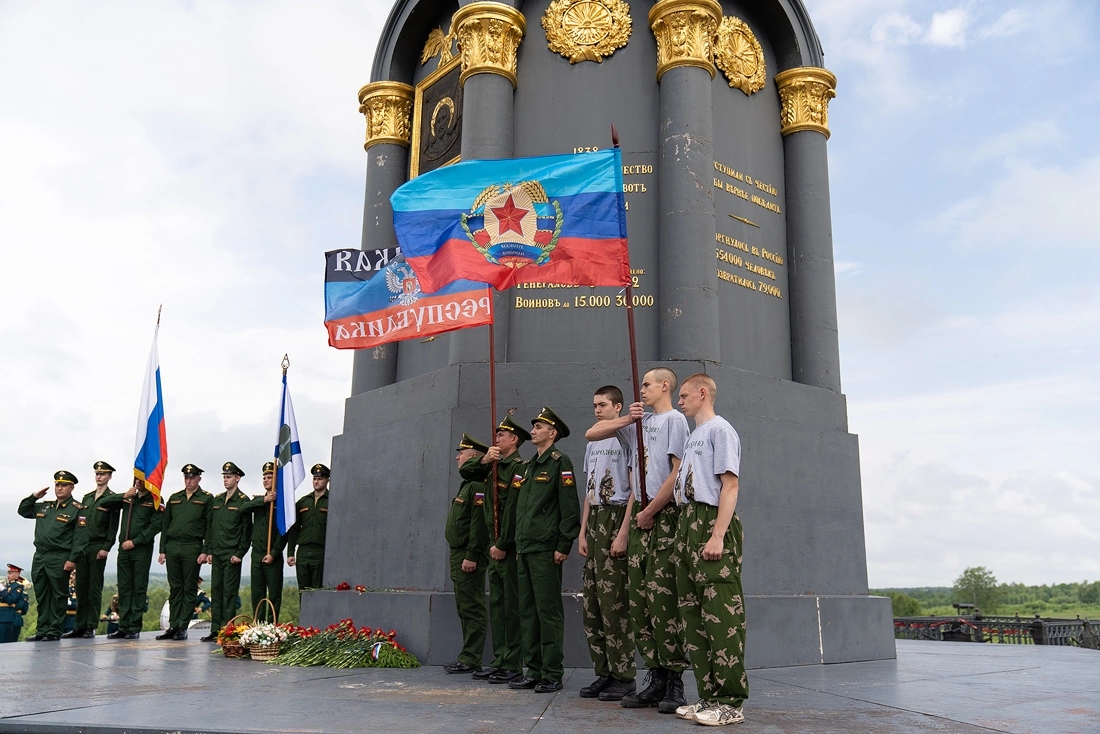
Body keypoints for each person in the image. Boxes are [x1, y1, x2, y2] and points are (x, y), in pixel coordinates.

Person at [585, 367, 690, 712]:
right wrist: (625, 420)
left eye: (646, 384)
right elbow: (592, 433)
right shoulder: (639, 425)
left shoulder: (674, 420)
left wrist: (649, 510)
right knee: (640, 602)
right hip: (642, 514)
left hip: (662, 514)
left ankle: (674, 682)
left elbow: (675, 471)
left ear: (664, 386)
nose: (641, 389)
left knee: (664, 602)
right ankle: (655, 677)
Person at [672, 373, 748, 726]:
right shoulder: (693, 437)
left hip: (708, 520)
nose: (679, 401)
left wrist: (718, 535)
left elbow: (729, 485)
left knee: (722, 614)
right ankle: (708, 697)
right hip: (687, 522)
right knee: (693, 615)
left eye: (684, 395)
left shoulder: (721, 430)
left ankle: (730, 702)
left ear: (703, 393)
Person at [509, 407, 580, 694]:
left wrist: (564, 545)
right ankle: (534, 669)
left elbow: (569, 508)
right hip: (525, 548)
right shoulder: (527, 467)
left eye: (539, 426)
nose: (533, 430)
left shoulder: (559, 463)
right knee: (527, 610)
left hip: (545, 549)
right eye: (534, 426)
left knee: (547, 611)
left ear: (552, 433)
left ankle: (552, 672)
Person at [577, 386, 636, 701]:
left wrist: (624, 531)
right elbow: (589, 490)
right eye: (594, 404)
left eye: (602, 405)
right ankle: (604, 673)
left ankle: (624, 675)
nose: (597, 409)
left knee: (614, 604)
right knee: (593, 605)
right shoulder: (595, 441)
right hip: (596, 519)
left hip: (616, 516)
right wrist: (582, 531)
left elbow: (635, 486)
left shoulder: (627, 436)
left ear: (618, 406)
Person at [461, 415, 529, 684]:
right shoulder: (493, 464)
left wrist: (502, 544)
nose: (496, 439)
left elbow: (513, 510)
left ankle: (513, 663)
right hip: (493, 545)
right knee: (498, 605)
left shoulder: (518, 467)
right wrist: (485, 460)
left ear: (513, 440)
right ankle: (500, 659)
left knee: (511, 606)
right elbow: (466, 472)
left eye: (502, 435)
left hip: (507, 547)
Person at [17, 471, 88, 641]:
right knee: (42, 594)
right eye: (57, 484)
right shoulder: (45, 506)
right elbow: (23, 510)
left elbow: (80, 538)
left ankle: (54, 630)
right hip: (40, 555)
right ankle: (42, 629)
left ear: (71, 487)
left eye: (64, 485)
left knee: (58, 595)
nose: (60, 488)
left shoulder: (77, 509)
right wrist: (34, 496)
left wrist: (72, 559)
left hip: (60, 556)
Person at [443, 434, 490, 674]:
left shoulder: (479, 486)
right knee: (464, 604)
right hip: (458, 552)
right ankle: (468, 655)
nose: (457, 457)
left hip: (468, 554)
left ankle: (471, 657)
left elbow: (479, 524)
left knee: (472, 605)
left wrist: (472, 555)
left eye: (461, 453)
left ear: (474, 456)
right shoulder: (469, 484)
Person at [157, 464, 212, 641]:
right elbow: (165, 525)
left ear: (199, 479)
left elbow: (209, 527)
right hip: (173, 546)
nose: (189, 480)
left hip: (192, 546)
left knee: (189, 588)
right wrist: (162, 549)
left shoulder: (206, 499)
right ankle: (173, 626)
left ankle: (182, 626)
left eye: (192, 477)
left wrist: (205, 550)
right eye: (186, 477)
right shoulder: (174, 498)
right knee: (175, 588)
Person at [68, 461, 122, 638]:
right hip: (83, 546)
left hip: (98, 546)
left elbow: (113, 527)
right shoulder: (87, 497)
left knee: (94, 587)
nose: (99, 476)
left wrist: (106, 547)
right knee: (81, 587)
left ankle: (90, 625)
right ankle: (79, 625)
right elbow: (81, 524)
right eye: (97, 473)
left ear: (109, 477)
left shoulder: (112, 498)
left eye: (103, 474)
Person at [201, 462, 253, 642]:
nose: (226, 479)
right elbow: (210, 527)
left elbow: (247, 530)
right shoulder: (217, 499)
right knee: (216, 590)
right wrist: (208, 550)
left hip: (232, 554)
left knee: (229, 592)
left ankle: (228, 630)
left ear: (237, 478)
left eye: (229, 476)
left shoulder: (243, 501)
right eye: (224, 476)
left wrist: (240, 553)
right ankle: (216, 630)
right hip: (216, 552)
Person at [110, 477, 160, 639]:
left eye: (142, 478)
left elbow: (156, 525)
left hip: (141, 550)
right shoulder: (129, 497)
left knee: (138, 588)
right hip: (123, 549)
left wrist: (136, 541)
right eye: (136, 478)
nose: (138, 481)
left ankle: (134, 626)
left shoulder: (155, 499)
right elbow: (104, 503)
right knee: (124, 588)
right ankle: (123, 626)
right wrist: (123, 496)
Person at [242, 462, 286, 623]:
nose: (266, 480)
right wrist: (264, 501)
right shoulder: (259, 501)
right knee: (257, 593)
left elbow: (284, 532)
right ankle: (258, 624)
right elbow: (243, 509)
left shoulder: (282, 504)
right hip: (257, 553)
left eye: (270, 477)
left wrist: (274, 553)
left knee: (273, 593)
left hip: (272, 554)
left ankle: (271, 626)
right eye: (264, 477)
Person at [287, 464, 330, 589]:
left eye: (320, 479)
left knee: (318, 588)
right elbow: (294, 529)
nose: (316, 482)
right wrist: (290, 552)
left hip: (320, 550)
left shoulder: (331, 501)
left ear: (328, 480)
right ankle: (303, 610)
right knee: (303, 589)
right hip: (303, 550)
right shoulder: (304, 502)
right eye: (314, 479)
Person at [0, 564, 30, 643]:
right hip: (2, 615)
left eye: (10, 573)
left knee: (5, 643)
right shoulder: (7, 586)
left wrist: (2, 590)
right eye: (8, 573)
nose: (8, 575)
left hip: (7, 617)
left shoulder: (17, 587)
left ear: (17, 574)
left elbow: (10, 600)